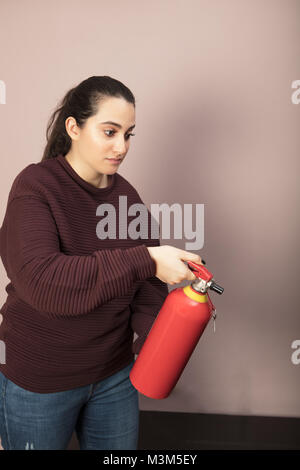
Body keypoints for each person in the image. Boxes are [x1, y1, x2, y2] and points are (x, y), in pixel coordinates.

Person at [0, 76, 204, 450]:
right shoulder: (35, 187)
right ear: (74, 128)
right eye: (109, 131)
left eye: (128, 134)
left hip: (114, 377)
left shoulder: (126, 197)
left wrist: (176, 320)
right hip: (40, 381)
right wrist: (145, 259)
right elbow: (44, 283)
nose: (121, 146)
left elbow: (146, 288)